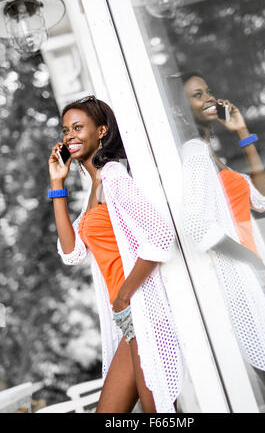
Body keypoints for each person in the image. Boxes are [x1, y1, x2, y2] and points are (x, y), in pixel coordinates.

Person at [48, 95, 184, 413]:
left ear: (101, 131)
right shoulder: (94, 189)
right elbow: (72, 253)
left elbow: (162, 237)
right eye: (66, 130)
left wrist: (124, 296)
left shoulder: (113, 177)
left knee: (162, 413)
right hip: (129, 319)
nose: (70, 136)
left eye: (78, 127)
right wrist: (57, 185)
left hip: (144, 312)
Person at [181, 73, 265, 413]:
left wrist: (244, 134)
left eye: (208, 91)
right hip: (238, 285)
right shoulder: (192, 153)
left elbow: (264, 199)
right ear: (180, 109)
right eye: (196, 95)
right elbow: (194, 224)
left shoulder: (207, 153)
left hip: (256, 279)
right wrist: (251, 261)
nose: (208, 99)